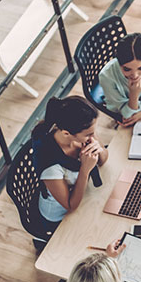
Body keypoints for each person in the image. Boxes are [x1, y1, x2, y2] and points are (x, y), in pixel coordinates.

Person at [30, 96, 108, 229]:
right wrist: (85, 169)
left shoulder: (77, 134)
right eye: (89, 134)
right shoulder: (51, 166)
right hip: (60, 216)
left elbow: (103, 160)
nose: (93, 136)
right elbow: (70, 205)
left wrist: (97, 147)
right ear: (66, 133)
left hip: (84, 194)